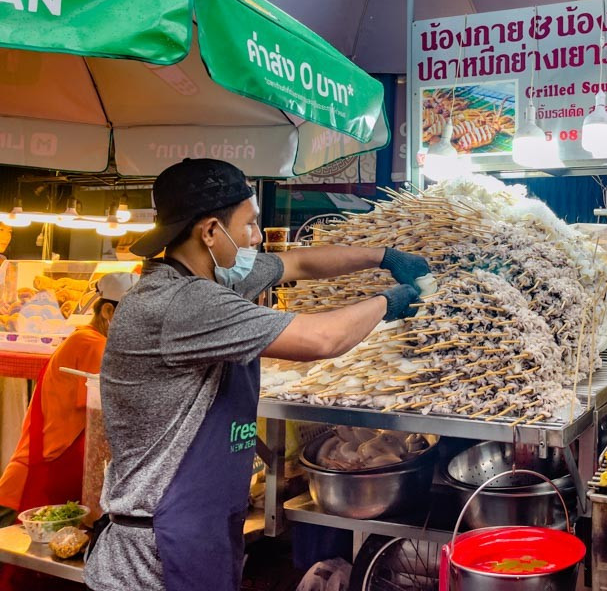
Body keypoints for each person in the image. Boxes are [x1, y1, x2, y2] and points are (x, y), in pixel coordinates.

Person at [84, 159, 428, 591]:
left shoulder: (212, 279)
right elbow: (320, 340)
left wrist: (383, 256)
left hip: (198, 526)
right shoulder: (183, 303)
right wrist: (390, 301)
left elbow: (298, 264)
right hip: (155, 549)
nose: (257, 238)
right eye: (249, 226)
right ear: (209, 232)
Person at [0, 272, 138, 525]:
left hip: (39, 474)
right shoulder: (91, 344)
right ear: (108, 312)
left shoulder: (84, 338)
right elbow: (109, 413)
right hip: (38, 480)